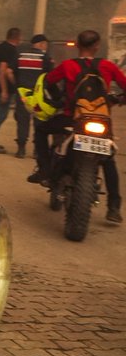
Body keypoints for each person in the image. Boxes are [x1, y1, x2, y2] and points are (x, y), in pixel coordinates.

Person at [33, 30, 126, 224]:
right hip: (101, 121)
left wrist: (59, 100)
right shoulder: (107, 66)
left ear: (77, 45)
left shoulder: (68, 65)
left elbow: (48, 82)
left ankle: (43, 169)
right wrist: (118, 100)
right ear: (97, 46)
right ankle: (114, 208)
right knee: (108, 160)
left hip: (72, 119)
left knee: (41, 129)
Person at [14, 33, 51, 160]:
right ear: (41, 44)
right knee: (38, 122)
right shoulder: (44, 57)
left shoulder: (20, 56)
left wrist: (17, 86)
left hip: (22, 94)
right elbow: (50, 76)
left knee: (22, 121)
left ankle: (21, 149)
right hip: (38, 96)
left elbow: (11, 72)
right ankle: (37, 150)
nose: (46, 47)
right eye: (45, 45)